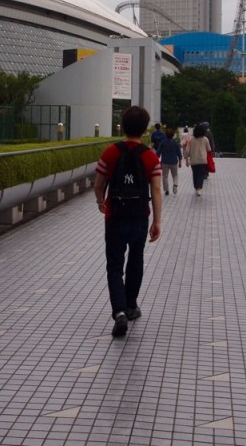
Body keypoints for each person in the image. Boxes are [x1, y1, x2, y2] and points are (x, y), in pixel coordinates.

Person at [93, 105, 162, 337]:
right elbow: (157, 190)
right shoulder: (150, 156)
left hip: (115, 217)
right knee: (136, 260)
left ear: (122, 126)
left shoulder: (111, 152)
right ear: (144, 129)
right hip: (139, 217)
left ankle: (119, 312)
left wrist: (100, 201)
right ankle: (131, 305)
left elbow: (99, 183)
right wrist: (157, 221)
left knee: (114, 265)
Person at [188, 123, 212, 197]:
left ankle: (196, 188)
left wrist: (186, 160)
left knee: (195, 174)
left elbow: (187, 150)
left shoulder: (191, 139)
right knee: (201, 175)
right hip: (202, 160)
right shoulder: (205, 139)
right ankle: (199, 188)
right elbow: (209, 149)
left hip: (193, 160)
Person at [158, 127, 182, 196]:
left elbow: (158, 152)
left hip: (165, 162)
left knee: (165, 176)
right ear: (173, 135)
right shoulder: (176, 143)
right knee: (175, 175)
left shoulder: (163, 142)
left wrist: (156, 156)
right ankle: (175, 184)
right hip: (174, 162)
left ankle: (166, 190)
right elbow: (179, 154)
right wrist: (180, 162)